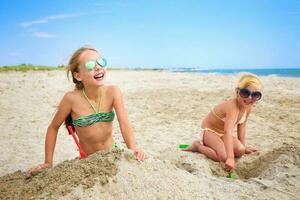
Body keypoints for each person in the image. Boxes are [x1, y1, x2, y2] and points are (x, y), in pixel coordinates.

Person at [28, 45, 145, 175]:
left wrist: (133, 149)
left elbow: (124, 123)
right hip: (89, 161)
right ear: (78, 76)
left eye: (100, 62)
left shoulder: (113, 91)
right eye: (90, 65)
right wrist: (48, 162)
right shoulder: (71, 99)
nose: (98, 67)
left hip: (113, 153)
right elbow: (53, 128)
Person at [184, 74, 262, 172]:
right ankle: (198, 146)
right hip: (210, 131)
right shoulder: (232, 107)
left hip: (222, 133)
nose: (249, 98)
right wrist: (230, 158)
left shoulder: (248, 107)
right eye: (245, 93)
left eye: (255, 95)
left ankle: (218, 146)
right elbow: (228, 131)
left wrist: (243, 146)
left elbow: (242, 126)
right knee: (223, 156)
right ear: (237, 91)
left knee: (240, 150)